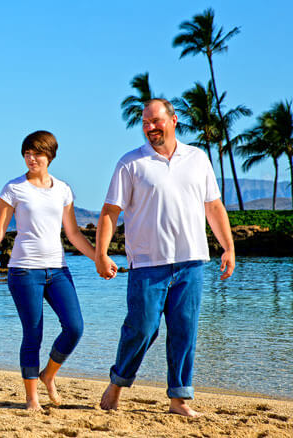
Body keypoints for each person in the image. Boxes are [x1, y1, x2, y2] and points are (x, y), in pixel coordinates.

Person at [95, 98, 235, 417]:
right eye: (145, 123)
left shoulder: (197, 159)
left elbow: (213, 206)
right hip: (146, 264)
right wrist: (100, 253)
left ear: (173, 120)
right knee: (142, 328)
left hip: (191, 262)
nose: (149, 127)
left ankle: (179, 399)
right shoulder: (130, 163)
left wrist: (228, 247)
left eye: (155, 121)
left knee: (184, 330)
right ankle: (118, 382)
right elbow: (110, 211)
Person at [0, 130, 112, 410]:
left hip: (58, 270)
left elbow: (73, 234)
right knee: (33, 333)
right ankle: (32, 398)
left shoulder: (63, 190)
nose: (31, 159)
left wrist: (98, 258)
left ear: (50, 156)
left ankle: (48, 375)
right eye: (27, 153)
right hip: (23, 271)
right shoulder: (14, 188)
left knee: (75, 327)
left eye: (37, 153)